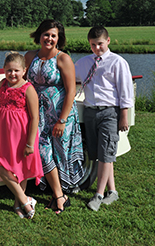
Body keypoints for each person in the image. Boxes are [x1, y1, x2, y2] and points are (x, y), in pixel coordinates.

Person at [25, 19, 85, 214]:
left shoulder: (63, 59)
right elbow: (17, 78)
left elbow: (70, 91)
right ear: (39, 35)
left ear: (59, 39)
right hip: (38, 114)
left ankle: (57, 195)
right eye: (46, 34)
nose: (49, 38)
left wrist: (62, 120)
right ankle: (60, 195)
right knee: (43, 152)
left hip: (60, 115)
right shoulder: (29, 56)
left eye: (53, 35)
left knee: (60, 154)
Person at [0, 52, 44, 219]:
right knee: (4, 168)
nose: (12, 74)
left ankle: (21, 202)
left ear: (24, 70)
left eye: (16, 71)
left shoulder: (28, 89)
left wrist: (29, 144)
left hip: (23, 136)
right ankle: (23, 200)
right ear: (4, 70)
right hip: (5, 135)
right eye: (9, 71)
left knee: (20, 169)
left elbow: (35, 117)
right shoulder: (5, 84)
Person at [75, 26, 134, 211]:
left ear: (108, 41)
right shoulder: (84, 62)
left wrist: (124, 116)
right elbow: (69, 75)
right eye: (93, 45)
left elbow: (125, 91)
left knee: (106, 154)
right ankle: (112, 191)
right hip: (91, 111)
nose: (97, 48)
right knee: (100, 154)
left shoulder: (118, 62)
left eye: (100, 44)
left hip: (110, 112)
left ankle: (98, 195)